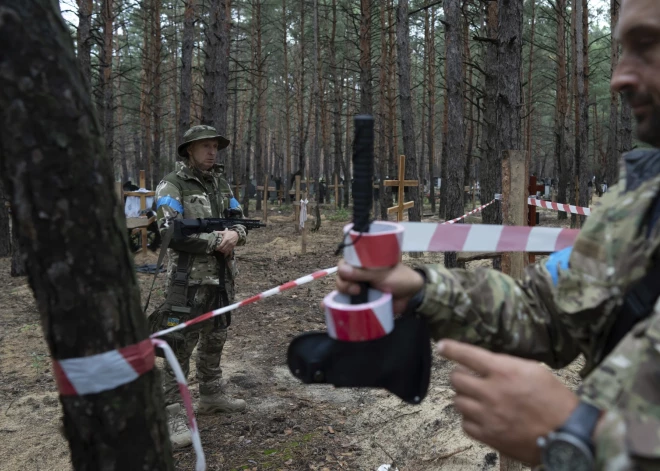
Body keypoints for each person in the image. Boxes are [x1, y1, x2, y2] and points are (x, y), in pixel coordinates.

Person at [336, 0, 660, 469]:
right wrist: (423, 291)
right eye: (621, 51)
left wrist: (579, 440)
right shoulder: (638, 202)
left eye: (647, 45)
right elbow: (548, 313)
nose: (620, 78)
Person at [155, 125, 248, 449]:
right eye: (205, 146)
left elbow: (239, 218)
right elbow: (169, 230)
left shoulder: (221, 183)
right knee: (179, 344)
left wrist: (236, 234)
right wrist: (214, 240)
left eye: (215, 146)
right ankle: (170, 412)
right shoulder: (172, 184)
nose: (212, 152)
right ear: (189, 150)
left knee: (216, 336)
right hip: (187, 279)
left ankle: (211, 393)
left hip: (222, 276)